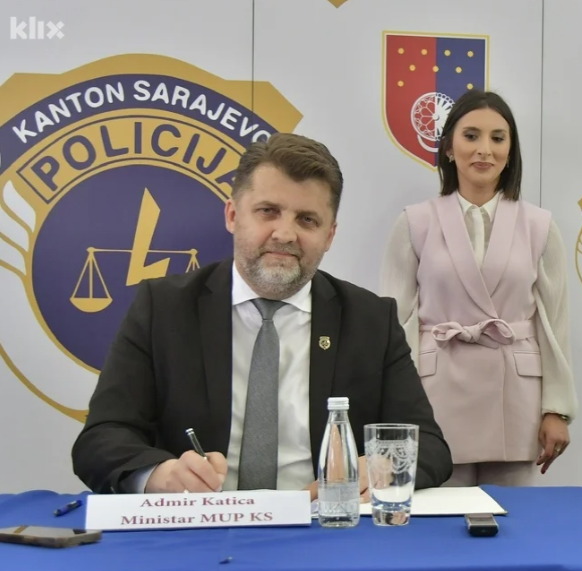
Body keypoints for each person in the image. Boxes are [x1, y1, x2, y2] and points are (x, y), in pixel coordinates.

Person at [72, 133, 453, 496]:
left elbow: (430, 446)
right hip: (202, 527)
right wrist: (159, 475)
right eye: (268, 212)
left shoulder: (371, 320)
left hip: (325, 526)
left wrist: (383, 467)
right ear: (233, 215)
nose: (285, 234)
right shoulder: (164, 308)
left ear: (329, 236)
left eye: (307, 220)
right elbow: (101, 439)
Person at [380, 89, 577, 487]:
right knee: (441, 516)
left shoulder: (539, 226)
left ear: (510, 150)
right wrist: (396, 406)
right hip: (435, 394)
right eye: (471, 136)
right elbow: (395, 324)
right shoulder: (414, 223)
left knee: (513, 515)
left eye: (497, 138)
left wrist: (556, 409)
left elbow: (555, 325)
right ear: (449, 148)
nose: (484, 149)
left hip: (516, 398)